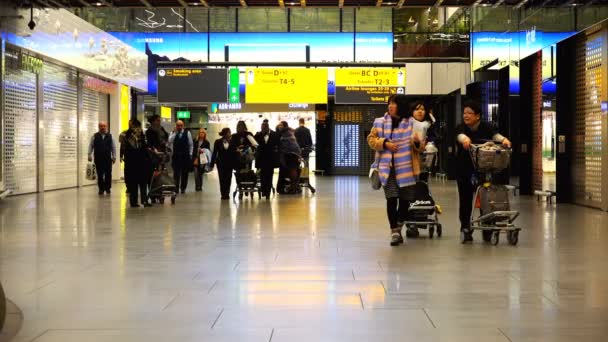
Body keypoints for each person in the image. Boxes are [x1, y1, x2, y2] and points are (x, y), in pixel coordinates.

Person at [367, 94, 425, 246]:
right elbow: (371, 140)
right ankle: (394, 231)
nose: (390, 106)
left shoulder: (411, 123)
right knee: (391, 199)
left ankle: (399, 226)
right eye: (389, 103)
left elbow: (420, 147)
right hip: (388, 169)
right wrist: (385, 143)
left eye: (394, 103)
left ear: (401, 106)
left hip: (407, 169)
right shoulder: (379, 122)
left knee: (405, 201)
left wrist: (418, 142)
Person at [455, 101, 511, 243]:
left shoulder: (486, 126)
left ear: (478, 116)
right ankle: (465, 227)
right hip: (464, 169)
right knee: (466, 200)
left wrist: (504, 140)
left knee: (486, 198)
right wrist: (465, 139)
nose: (466, 115)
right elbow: (459, 136)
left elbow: (495, 136)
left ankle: (487, 225)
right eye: (464, 113)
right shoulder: (461, 127)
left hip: (484, 169)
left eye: (469, 113)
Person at [122, 119, 152, 208]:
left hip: (141, 162)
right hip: (132, 162)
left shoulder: (142, 135)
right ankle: (134, 202)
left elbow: (145, 147)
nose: (137, 129)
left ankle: (143, 201)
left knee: (142, 182)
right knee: (133, 183)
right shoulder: (124, 135)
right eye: (134, 126)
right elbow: (124, 147)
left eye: (137, 126)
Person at [88, 121, 116, 195]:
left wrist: (114, 157)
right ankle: (101, 189)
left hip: (107, 159)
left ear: (106, 127)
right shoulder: (94, 136)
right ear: (98, 127)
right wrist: (89, 155)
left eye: (104, 126)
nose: (102, 127)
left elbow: (113, 147)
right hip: (98, 158)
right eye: (101, 126)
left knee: (108, 174)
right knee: (99, 174)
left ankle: (108, 188)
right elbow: (91, 146)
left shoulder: (111, 136)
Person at [254, 120, 279, 199]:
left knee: (269, 176)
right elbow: (254, 144)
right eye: (261, 128)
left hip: (271, 159)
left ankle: (267, 192)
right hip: (261, 160)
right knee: (262, 176)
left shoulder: (275, 134)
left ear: (267, 128)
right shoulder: (258, 135)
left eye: (264, 128)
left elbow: (278, 145)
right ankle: (264, 191)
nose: (262, 129)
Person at [210, 128, 236, 200]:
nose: (230, 134)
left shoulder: (232, 142)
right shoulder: (218, 142)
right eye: (229, 132)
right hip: (221, 163)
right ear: (224, 134)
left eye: (230, 132)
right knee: (222, 179)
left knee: (228, 178)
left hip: (230, 163)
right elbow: (214, 153)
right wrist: (212, 164)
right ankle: (223, 194)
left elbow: (234, 153)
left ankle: (227, 193)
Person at [168, 120, 193, 194]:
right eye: (178, 125)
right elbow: (169, 141)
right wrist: (174, 133)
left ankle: (183, 188)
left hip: (185, 156)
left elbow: (191, 144)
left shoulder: (187, 133)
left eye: (181, 125)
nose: (179, 127)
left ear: (183, 126)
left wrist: (190, 154)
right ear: (176, 125)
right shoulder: (173, 133)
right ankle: (176, 188)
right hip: (176, 156)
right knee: (176, 173)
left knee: (185, 173)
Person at [277, 121, 302, 194]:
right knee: (292, 171)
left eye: (281, 125)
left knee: (292, 171)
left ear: (284, 126)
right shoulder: (290, 132)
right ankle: (293, 187)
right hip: (294, 154)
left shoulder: (286, 134)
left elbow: (286, 145)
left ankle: (293, 188)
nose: (279, 126)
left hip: (291, 155)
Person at [193, 128, 211, 192]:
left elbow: (208, 151)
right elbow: (192, 149)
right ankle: (196, 185)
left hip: (202, 160)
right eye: (200, 132)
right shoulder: (195, 141)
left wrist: (203, 150)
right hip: (195, 159)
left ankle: (200, 186)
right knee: (195, 173)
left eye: (203, 132)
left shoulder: (207, 142)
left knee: (200, 173)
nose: (201, 134)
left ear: (205, 134)